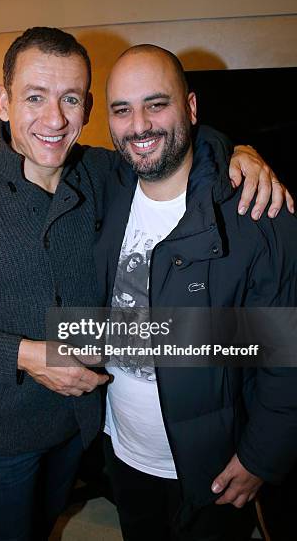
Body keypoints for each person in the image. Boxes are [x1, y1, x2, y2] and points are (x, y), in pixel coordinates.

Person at [0, 27, 292, 541]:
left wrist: (240, 151)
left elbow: (172, 146)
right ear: (3, 101)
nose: (54, 119)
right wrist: (28, 356)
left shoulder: (101, 173)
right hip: (1, 429)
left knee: (48, 522)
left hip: (83, 423)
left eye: (71, 99)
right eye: (34, 97)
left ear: (86, 108)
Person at [94, 44, 297, 540]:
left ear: (190, 107)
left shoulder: (258, 212)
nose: (138, 125)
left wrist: (260, 457)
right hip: (122, 449)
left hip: (214, 465)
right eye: (122, 110)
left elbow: (285, 355)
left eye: (156, 104)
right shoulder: (106, 186)